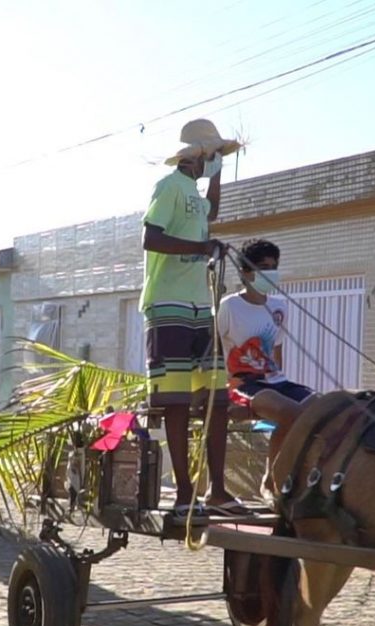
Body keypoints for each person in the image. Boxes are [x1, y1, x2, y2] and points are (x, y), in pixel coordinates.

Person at [141, 118, 246, 517]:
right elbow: (151, 238)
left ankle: (217, 489)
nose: (216, 161)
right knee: (177, 403)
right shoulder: (169, 186)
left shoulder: (196, 196)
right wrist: (201, 248)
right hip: (168, 305)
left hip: (201, 306)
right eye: (213, 156)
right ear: (194, 157)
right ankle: (185, 492)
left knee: (217, 399)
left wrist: (216, 174)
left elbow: (211, 210)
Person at [216, 239, 314, 500]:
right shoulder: (229, 306)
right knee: (289, 412)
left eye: (274, 266)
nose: (270, 272)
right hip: (242, 382)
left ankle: (302, 479)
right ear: (246, 272)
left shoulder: (279, 306)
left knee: (320, 407)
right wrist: (221, 393)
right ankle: (270, 480)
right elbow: (213, 348)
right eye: (263, 267)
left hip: (275, 380)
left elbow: (276, 350)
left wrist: (279, 381)